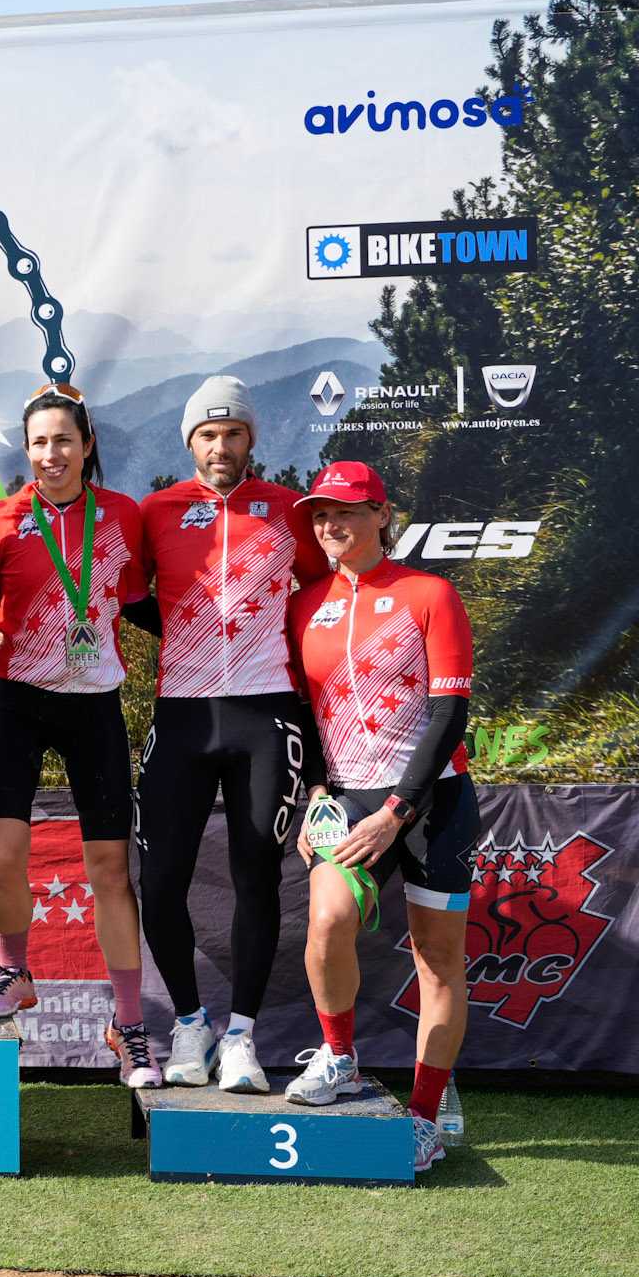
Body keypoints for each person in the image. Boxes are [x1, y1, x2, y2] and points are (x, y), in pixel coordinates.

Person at [0, 384, 161, 1088]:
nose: (52, 453)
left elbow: (140, 603)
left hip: (94, 704)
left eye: (64, 440)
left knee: (109, 870)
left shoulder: (125, 519)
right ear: (27, 450)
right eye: (39, 442)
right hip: (16, 702)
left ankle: (129, 1025)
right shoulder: (2, 521)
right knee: (5, 857)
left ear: (87, 444)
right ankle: (15, 972)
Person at [133, 377, 331, 1093]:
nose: (221, 446)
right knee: (159, 881)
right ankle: (191, 1022)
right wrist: (191, 637)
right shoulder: (157, 510)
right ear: (189, 442)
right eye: (208, 435)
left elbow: (316, 601)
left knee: (257, 874)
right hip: (182, 713)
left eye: (234, 433)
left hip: (265, 715)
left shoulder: (287, 512)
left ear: (253, 439)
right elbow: (129, 595)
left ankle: (243, 1034)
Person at [283, 460, 477, 1175]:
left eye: (348, 511)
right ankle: (340, 1058)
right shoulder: (306, 604)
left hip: (433, 801)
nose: (333, 525)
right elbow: (305, 712)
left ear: (381, 514)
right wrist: (312, 794)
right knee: (329, 919)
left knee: (437, 958)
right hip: (349, 798)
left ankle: (424, 1115)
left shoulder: (429, 593)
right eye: (321, 515)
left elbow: (449, 713)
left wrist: (398, 810)